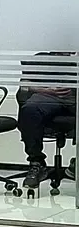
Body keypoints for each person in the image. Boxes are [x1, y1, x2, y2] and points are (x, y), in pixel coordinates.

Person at [18, 52, 78, 189]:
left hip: (75, 98)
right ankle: (36, 163)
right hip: (47, 97)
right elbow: (24, 85)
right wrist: (44, 90)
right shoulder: (42, 58)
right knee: (30, 109)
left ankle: (76, 163)